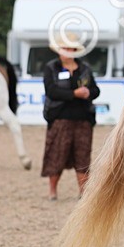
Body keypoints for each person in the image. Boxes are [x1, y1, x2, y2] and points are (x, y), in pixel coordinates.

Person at [41, 41, 101, 200]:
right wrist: (74, 93)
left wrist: (88, 92)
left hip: (83, 119)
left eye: (71, 49)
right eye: (65, 48)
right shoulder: (51, 68)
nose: (68, 51)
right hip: (60, 118)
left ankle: (83, 192)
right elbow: (51, 91)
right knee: (56, 155)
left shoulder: (85, 69)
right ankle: (52, 191)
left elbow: (96, 90)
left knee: (82, 156)